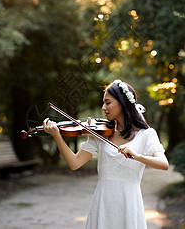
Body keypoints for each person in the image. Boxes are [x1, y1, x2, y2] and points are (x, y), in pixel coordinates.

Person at [43, 79, 169, 229]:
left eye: (108, 103)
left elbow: (164, 164)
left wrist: (137, 156)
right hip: (103, 204)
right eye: (103, 103)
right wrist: (57, 136)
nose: (103, 107)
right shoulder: (99, 133)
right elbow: (74, 163)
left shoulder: (146, 134)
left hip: (129, 203)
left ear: (122, 103)